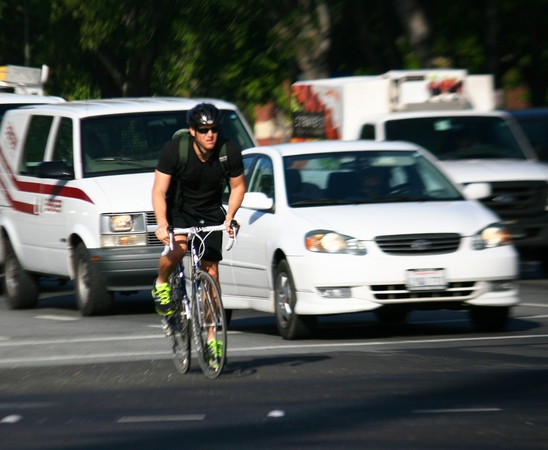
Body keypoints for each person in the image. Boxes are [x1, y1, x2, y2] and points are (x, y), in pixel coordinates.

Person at [151, 103, 245, 351]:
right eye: (203, 129)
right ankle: (161, 282)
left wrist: (230, 217)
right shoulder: (175, 151)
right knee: (177, 250)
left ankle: (212, 339)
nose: (210, 134)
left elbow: (238, 187)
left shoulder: (229, 151)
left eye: (213, 129)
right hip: (180, 211)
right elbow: (159, 190)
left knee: (211, 273)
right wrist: (162, 224)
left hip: (212, 213)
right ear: (192, 131)